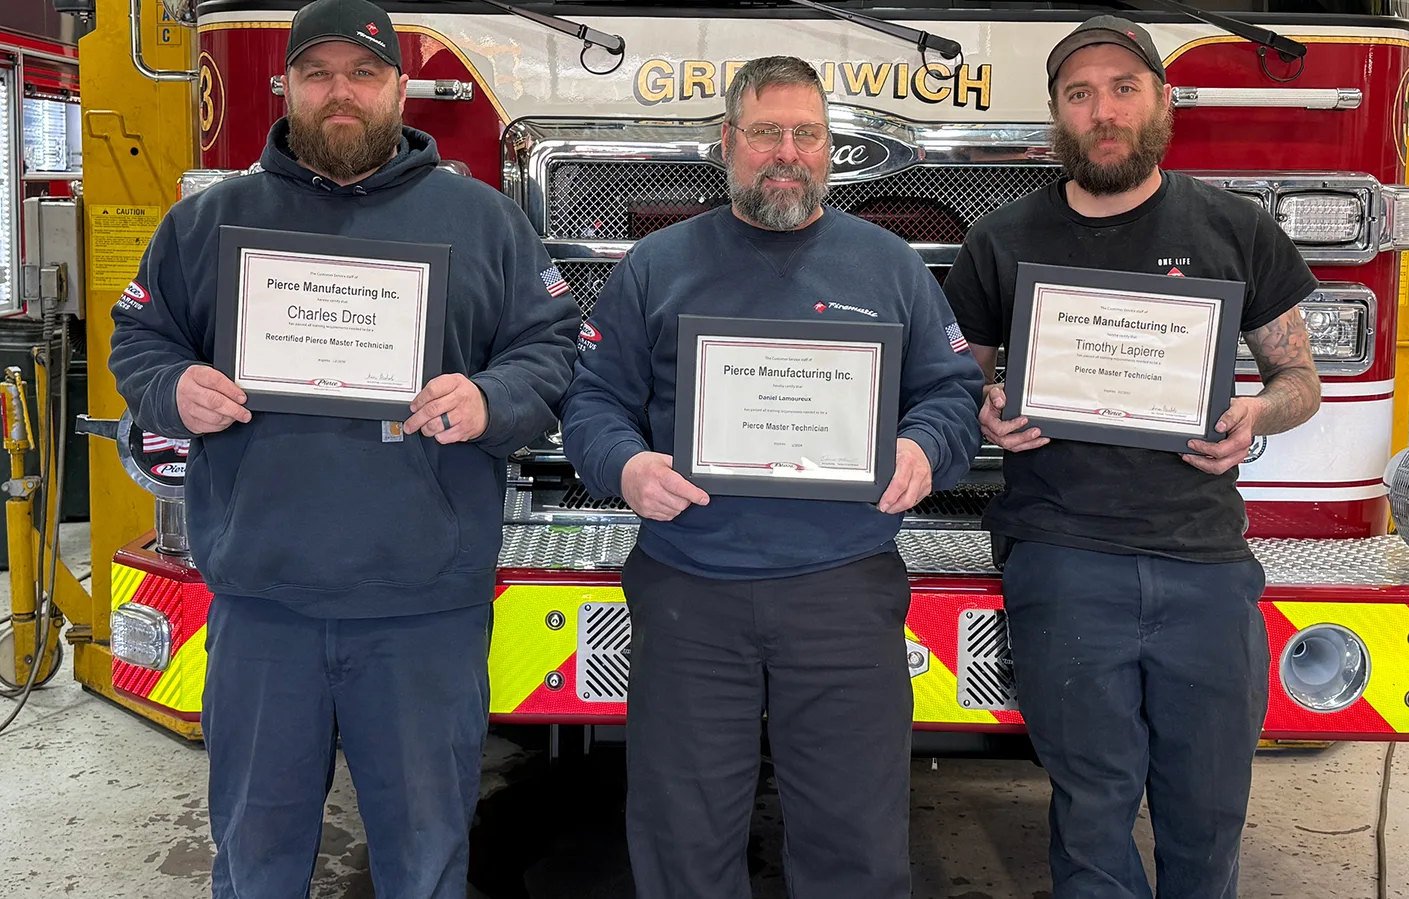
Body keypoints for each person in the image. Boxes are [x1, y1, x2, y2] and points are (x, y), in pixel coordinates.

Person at [106, 0, 580, 895]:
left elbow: (552, 349)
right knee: (256, 859)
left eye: (363, 74)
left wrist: (490, 397)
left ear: (400, 88)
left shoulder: (484, 222)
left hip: (422, 612)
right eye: (318, 74)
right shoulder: (210, 222)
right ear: (286, 87)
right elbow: (140, 340)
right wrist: (173, 387)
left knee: (426, 860)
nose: (341, 93)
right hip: (262, 608)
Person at [560, 55, 983, 899]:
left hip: (843, 592)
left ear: (830, 150)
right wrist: (628, 465)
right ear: (727, 144)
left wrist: (924, 447)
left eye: (806, 134)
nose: (785, 152)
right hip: (689, 593)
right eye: (765, 133)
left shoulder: (889, 265)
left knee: (856, 850)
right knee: (683, 847)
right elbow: (592, 403)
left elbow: (952, 395)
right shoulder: (657, 264)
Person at [942, 16, 1323, 899]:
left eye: (1122, 88)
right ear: (1056, 119)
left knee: (1209, 811)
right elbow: (955, 383)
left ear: (1161, 103)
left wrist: (1258, 411)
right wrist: (985, 410)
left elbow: (1298, 375)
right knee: (1092, 811)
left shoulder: (1234, 227)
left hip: (1207, 564)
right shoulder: (1001, 240)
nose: (1102, 110)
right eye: (1080, 95)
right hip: (1064, 559)